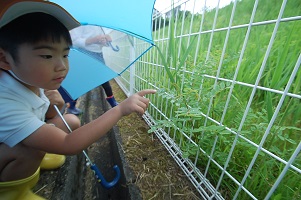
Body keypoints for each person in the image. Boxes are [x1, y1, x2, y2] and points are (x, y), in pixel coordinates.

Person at [0, 1, 156, 199]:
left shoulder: (28, 78)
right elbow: (68, 144)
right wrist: (118, 110)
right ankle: (14, 192)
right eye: (47, 56)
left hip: (17, 138)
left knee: (72, 120)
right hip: (9, 158)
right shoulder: (5, 102)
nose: (62, 66)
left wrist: (54, 104)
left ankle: (40, 156)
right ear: (5, 59)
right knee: (28, 151)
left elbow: (46, 116)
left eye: (65, 54)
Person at [70, 25, 119, 108]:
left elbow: (100, 43)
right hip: (85, 53)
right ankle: (71, 105)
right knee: (80, 79)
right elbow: (73, 41)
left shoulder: (100, 24)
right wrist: (93, 40)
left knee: (103, 78)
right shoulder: (81, 23)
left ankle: (112, 100)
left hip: (98, 53)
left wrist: (106, 42)